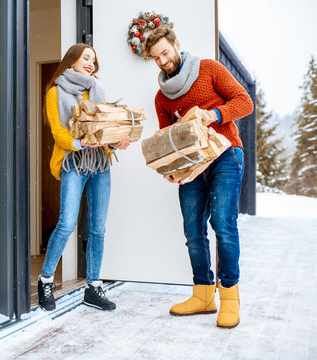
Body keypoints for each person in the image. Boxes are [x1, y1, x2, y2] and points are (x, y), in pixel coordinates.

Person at [144, 26, 254, 328]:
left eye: (165, 52)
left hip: (226, 155)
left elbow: (245, 102)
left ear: (177, 45)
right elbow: (168, 138)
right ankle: (203, 294)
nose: (163, 61)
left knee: (223, 223)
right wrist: (170, 167)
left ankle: (230, 296)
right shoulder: (161, 97)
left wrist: (213, 115)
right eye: (156, 58)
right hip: (192, 167)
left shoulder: (209, 69)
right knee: (193, 230)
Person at [38, 43, 130, 311]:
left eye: (94, 59)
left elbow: (103, 130)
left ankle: (93, 287)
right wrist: (81, 144)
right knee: (67, 223)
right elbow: (58, 132)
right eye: (86, 57)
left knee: (98, 228)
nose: (91, 62)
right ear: (71, 61)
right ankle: (45, 280)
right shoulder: (55, 92)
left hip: (100, 163)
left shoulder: (96, 89)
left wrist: (115, 143)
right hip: (74, 161)